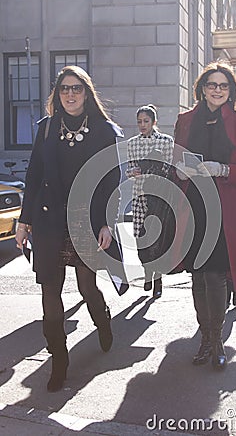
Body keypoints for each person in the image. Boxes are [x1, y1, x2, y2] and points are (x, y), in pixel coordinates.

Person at [15, 65, 125, 392]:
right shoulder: (47, 128)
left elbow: (112, 180)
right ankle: (58, 360)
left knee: (86, 286)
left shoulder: (105, 130)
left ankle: (102, 318)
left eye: (77, 88)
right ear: (57, 93)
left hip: (86, 220)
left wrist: (107, 221)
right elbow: (34, 175)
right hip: (49, 220)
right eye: (64, 88)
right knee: (50, 288)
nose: (70, 94)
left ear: (87, 92)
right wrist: (24, 220)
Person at [173, 61, 236, 370]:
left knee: (216, 274)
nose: (218, 90)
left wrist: (222, 169)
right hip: (193, 205)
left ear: (231, 90)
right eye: (212, 85)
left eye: (224, 85)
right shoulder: (185, 120)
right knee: (198, 273)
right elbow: (175, 160)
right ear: (202, 89)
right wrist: (181, 169)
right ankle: (206, 339)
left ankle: (216, 338)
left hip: (225, 209)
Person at [126, 104, 174, 298]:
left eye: (146, 121)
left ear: (154, 122)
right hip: (139, 196)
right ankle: (147, 271)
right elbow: (129, 170)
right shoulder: (132, 143)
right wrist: (134, 172)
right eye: (139, 122)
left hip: (160, 196)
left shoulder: (166, 141)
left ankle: (158, 279)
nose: (142, 125)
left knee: (159, 239)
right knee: (141, 238)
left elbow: (170, 168)